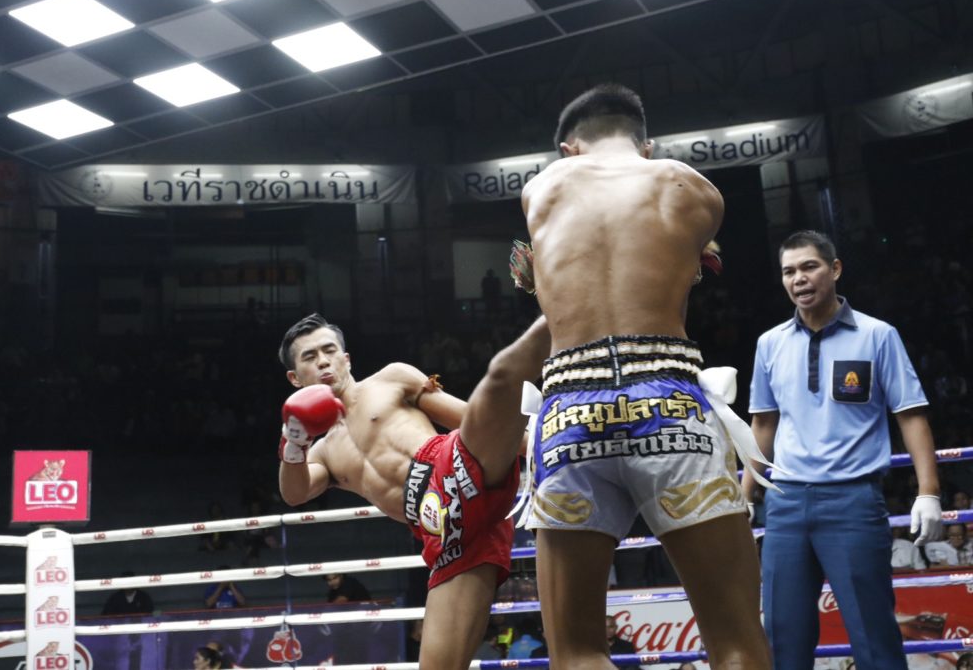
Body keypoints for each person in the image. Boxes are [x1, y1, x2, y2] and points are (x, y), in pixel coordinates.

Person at [518, 83, 771, 668]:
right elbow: (683, 258)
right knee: (736, 639)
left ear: (568, 148)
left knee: (576, 651)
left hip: (569, 410)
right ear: (646, 144)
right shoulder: (691, 188)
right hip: (669, 402)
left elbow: (557, 267)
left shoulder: (541, 188)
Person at [277, 312, 551, 669]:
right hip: (440, 529)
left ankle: (557, 314)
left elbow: (469, 419)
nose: (323, 361)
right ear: (295, 378)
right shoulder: (322, 451)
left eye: (329, 351)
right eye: (310, 357)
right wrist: (293, 443)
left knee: (500, 381)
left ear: (347, 358)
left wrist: (541, 449)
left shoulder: (391, 379)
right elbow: (294, 493)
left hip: (450, 467)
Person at [744, 229, 943, 669]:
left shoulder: (877, 335)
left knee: (874, 637)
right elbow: (763, 424)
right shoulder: (770, 343)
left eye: (809, 266)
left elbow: (911, 415)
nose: (799, 278)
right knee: (783, 637)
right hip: (785, 504)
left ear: (834, 269)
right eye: (789, 271)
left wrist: (928, 492)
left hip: (853, 500)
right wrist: (744, 496)